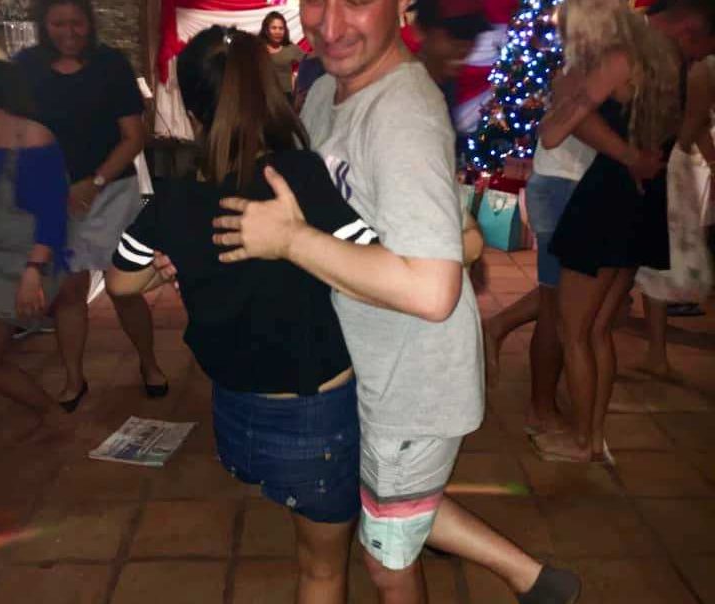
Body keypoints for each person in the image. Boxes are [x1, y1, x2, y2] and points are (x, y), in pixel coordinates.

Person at [208, 0, 581, 602]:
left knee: (387, 563)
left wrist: (291, 241)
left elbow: (432, 292)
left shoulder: (401, 112)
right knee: (390, 502)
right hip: (364, 367)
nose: (330, 25)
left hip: (409, 387)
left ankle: (529, 577)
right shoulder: (327, 90)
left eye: (356, 1)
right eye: (317, 1)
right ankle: (532, 578)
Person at [107, 27, 381, 604]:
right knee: (322, 570)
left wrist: (164, 265)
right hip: (311, 414)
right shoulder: (296, 176)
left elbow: (119, 280)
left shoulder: (174, 196)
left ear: (190, 105)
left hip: (235, 413)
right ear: (270, 91)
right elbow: (375, 267)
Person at [531, 0, 695, 463]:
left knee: (574, 330)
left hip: (605, 200)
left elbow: (552, 134)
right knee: (599, 329)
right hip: (639, 199)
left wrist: (565, 93)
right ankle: (592, 436)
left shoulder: (614, 60)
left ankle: (582, 440)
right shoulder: (660, 60)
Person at [16, 0, 167, 411]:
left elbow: (133, 136)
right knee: (69, 291)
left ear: (90, 23)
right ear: (43, 24)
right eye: (58, 23)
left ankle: (150, 363)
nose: (69, 32)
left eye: (77, 23)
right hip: (56, 197)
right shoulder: (26, 67)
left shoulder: (110, 64)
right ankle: (74, 380)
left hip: (112, 190)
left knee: (124, 288)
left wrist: (95, 182)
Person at [0, 60, 70, 434]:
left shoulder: (33, 138)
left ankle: (52, 415)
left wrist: (33, 271)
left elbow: (53, 216)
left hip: (23, 262)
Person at [636, 53, 715, 379]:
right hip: (665, 165)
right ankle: (656, 354)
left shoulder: (692, 69)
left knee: (653, 262)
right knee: (652, 264)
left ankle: (656, 354)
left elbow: (694, 125)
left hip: (663, 166)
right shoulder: (687, 68)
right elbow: (698, 126)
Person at [259, 11, 305, 103]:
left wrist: (297, 79)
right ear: (266, 30)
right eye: (274, 28)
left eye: (281, 28)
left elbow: (310, 63)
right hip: (263, 97)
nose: (278, 32)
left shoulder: (291, 48)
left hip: (286, 98)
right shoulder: (258, 49)